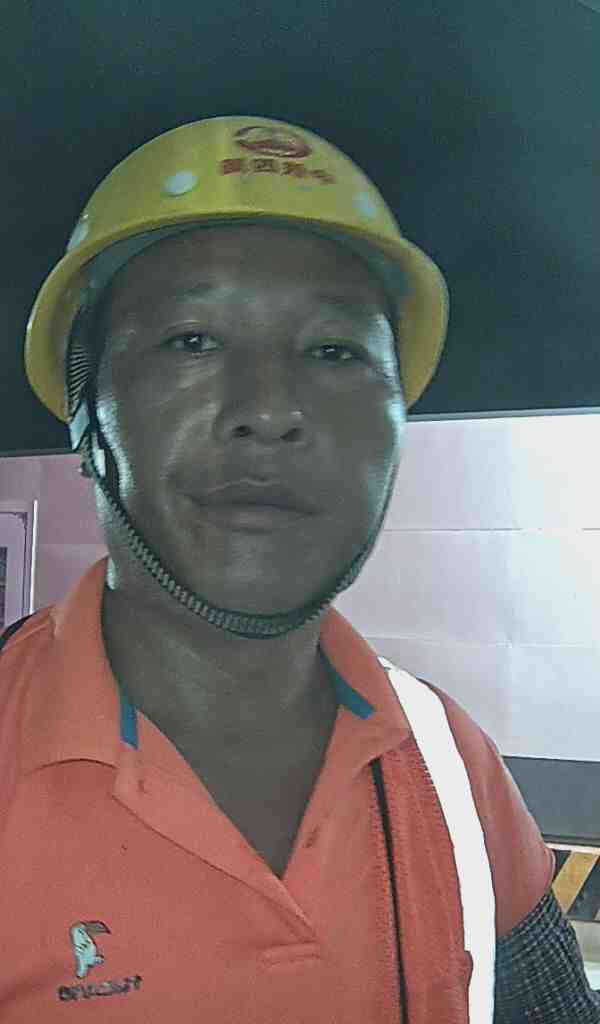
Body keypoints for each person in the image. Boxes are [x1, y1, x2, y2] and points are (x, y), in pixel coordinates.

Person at [1, 115, 597, 1022]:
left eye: (334, 352)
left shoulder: (450, 767)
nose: (270, 409)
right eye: (192, 341)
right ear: (87, 412)